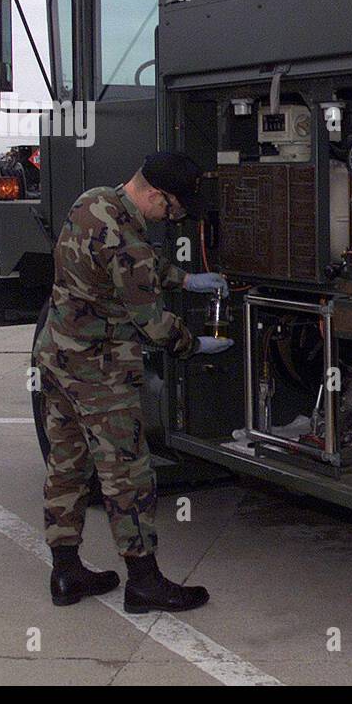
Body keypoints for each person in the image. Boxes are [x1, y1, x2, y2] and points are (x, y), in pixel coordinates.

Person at [34, 152, 232, 612]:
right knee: (127, 476)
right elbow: (153, 324)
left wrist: (185, 278)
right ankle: (144, 582)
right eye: (174, 210)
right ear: (156, 195)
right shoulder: (127, 238)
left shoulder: (93, 203)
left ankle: (65, 573)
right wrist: (196, 346)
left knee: (67, 465)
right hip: (99, 373)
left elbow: (133, 266)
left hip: (58, 359)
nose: (173, 218)